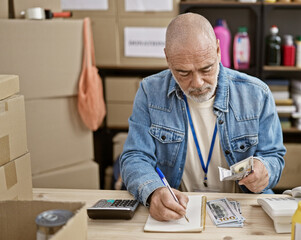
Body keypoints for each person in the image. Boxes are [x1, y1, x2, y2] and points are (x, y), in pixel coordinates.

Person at [120, 13, 286, 222]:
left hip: (243, 209)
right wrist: (154, 191)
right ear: (168, 59)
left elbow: (274, 156)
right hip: (178, 213)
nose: (197, 83)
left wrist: (265, 170)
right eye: (183, 73)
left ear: (218, 50)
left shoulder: (257, 94)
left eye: (206, 69)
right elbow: (135, 157)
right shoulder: (149, 91)